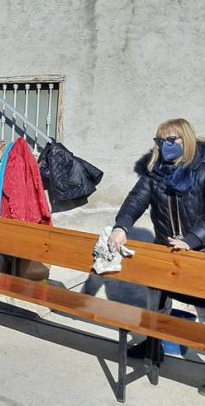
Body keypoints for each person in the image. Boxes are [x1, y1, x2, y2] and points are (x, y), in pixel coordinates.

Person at [108, 118, 205, 362]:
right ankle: (153, 348)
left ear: (187, 139)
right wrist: (121, 227)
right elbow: (136, 199)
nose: (165, 145)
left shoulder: (202, 169)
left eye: (171, 140)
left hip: (200, 252)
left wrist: (192, 240)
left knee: (204, 310)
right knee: (157, 305)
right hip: (165, 248)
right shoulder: (156, 171)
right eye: (160, 140)